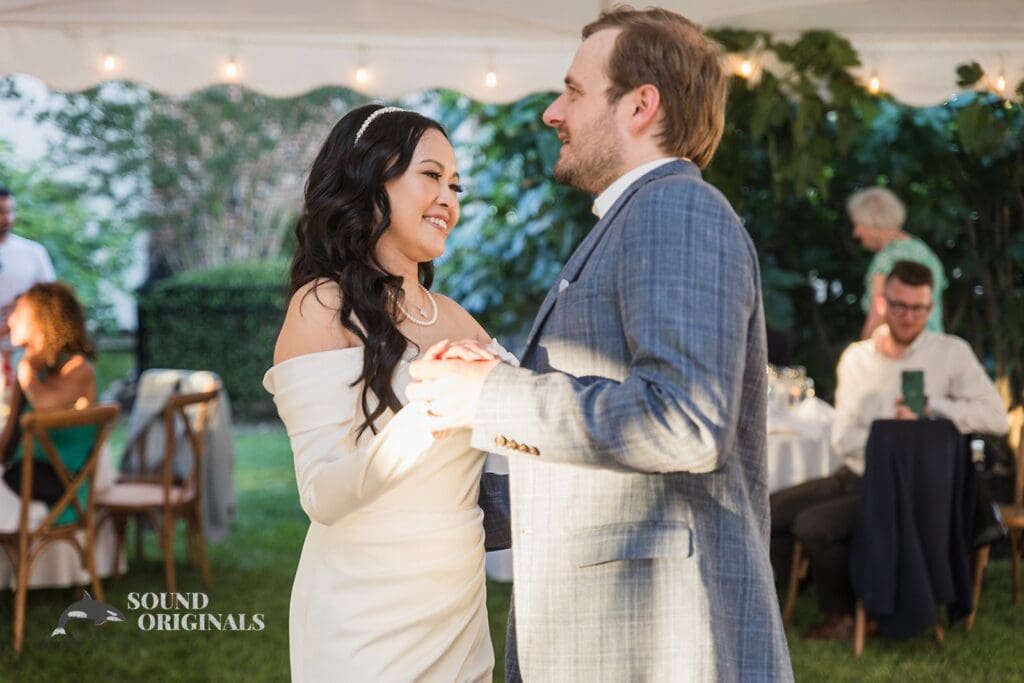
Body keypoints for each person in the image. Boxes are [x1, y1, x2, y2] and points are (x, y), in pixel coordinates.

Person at [406, 7, 793, 680]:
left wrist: (492, 397)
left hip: (658, 647)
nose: (553, 112)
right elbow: (601, 466)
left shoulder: (676, 209)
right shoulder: (636, 217)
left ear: (641, 105)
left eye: (574, 92)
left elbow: (684, 422)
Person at [262, 104, 512, 682]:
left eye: (455, 185)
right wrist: (428, 412)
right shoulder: (322, 307)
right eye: (431, 176)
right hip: (366, 616)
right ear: (369, 179)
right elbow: (321, 493)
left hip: (459, 608)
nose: (448, 198)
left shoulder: (454, 315)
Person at [770, 260, 1008, 640]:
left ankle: (844, 614)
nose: (908, 317)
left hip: (907, 490)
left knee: (814, 525)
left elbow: (996, 418)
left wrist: (933, 408)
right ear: (882, 303)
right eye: (899, 306)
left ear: (931, 307)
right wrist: (888, 442)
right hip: (855, 472)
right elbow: (843, 436)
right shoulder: (858, 357)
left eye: (918, 308)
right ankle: (798, 589)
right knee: (771, 510)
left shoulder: (950, 354)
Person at [0, 282, 98, 528]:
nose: (10, 320)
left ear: (42, 320)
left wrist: (25, 369)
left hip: (57, 481)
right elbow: (9, 439)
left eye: (18, 313)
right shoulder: (34, 373)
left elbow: (43, 405)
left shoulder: (78, 368)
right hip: (22, 472)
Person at [848, 186, 946, 338]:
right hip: (933, 344)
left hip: (902, 346)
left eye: (857, 224)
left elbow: (878, 313)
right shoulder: (925, 252)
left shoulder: (886, 260)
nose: (856, 233)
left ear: (873, 222)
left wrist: (863, 348)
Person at [0, 187, 57, 349]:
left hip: (26, 345)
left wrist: (20, 306)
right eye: (1, 212)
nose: (7, 218)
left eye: (10, 211)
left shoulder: (33, 251)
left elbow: (50, 297)